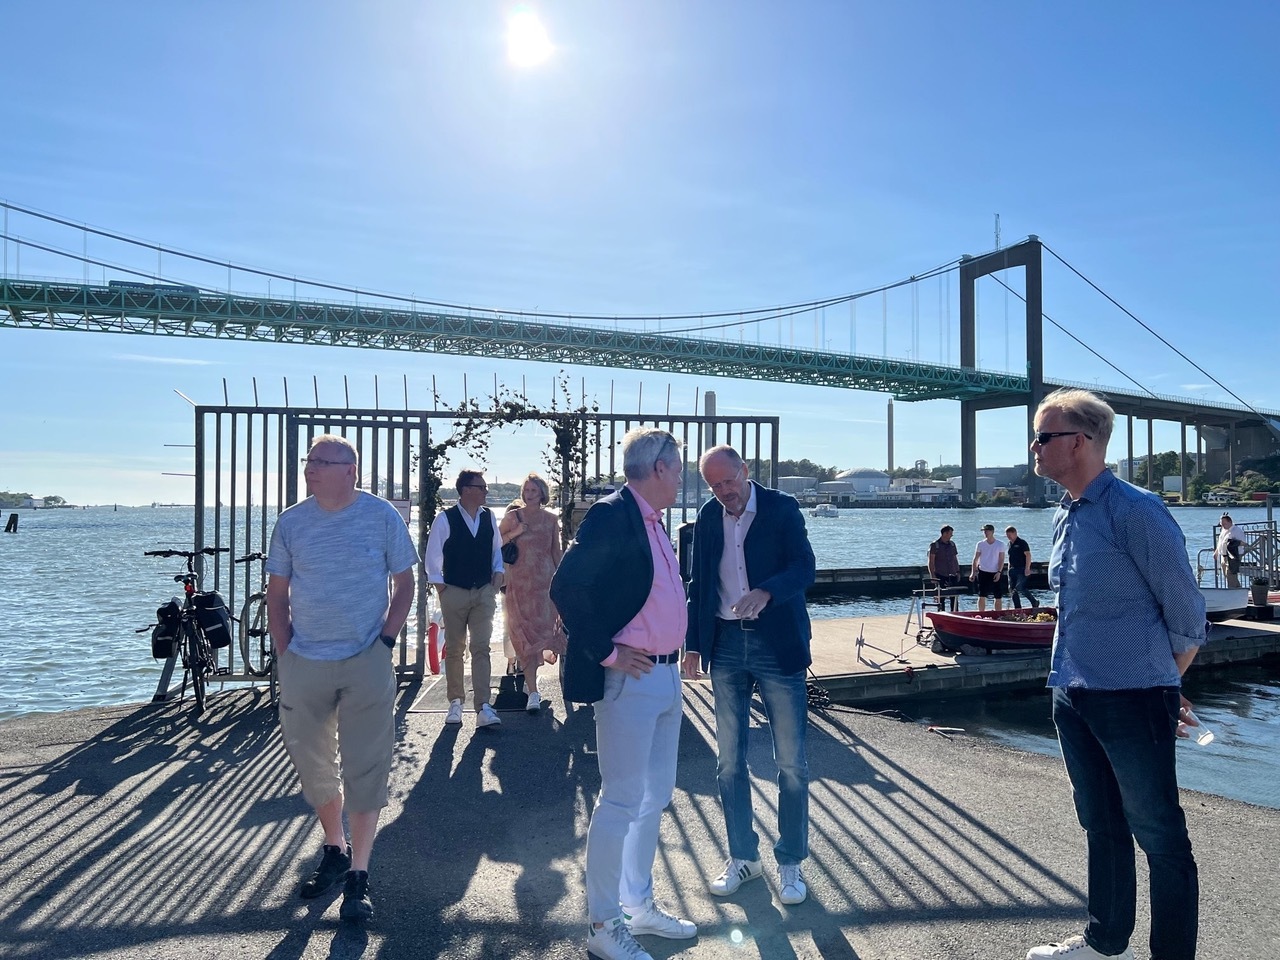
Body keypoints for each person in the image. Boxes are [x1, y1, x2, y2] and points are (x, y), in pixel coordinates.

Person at [1025, 389, 1206, 960]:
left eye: (1043, 436)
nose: (1034, 447)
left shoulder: (1137, 511)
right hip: (1073, 694)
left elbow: (1187, 618)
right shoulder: (1066, 514)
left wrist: (1162, 686)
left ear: (1078, 442)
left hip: (1131, 698)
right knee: (1101, 823)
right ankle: (1104, 943)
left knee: (1159, 835)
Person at [549, 428, 695, 960]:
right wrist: (606, 653)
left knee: (655, 795)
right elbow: (566, 586)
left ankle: (637, 905)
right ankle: (603, 926)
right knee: (621, 800)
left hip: (665, 676)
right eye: (678, 468)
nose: (682, 477)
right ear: (658, 468)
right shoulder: (614, 514)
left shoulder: (654, 522)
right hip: (630, 678)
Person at [265, 434, 419, 922]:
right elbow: (276, 594)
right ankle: (334, 847)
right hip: (304, 661)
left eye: (321, 462)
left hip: (366, 659)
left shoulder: (380, 516)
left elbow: (406, 583)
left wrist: (387, 644)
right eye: (309, 460)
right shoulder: (291, 521)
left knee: (367, 765)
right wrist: (285, 653)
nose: (310, 469)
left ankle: (359, 872)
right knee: (311, 764)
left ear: (350, 469)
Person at [683, 445, 816, 906]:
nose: (724, 493)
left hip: (776, 644)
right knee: (728, 762)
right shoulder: (706, 516)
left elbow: (804, 568)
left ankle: (791, 862)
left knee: (791, 763)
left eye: (729, 481)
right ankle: (744, 857)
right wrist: (694, 644)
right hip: (723, 644)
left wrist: (767, 591)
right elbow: (699, 582)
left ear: (745, 471)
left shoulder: (783, 509)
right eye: (714, 486)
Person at [426, 469, 505, 728]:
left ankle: (483, 706)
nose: (486, 491)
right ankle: (455, 702)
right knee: (455, 648)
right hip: (454, 590)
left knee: (481, 647)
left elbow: (496, 549)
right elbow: (433, 556)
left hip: (483, 590)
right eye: (482, 487)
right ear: (467, 489)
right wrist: (441, 588)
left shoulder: (489, 517)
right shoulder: (445, 519)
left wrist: (498, 574)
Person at [498, 472, 564, 712]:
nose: (528, 495)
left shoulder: (550, 520)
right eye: (526, 491)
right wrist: (515, 533)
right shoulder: (512, 517)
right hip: (519, 585)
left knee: (542, 635)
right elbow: (495, 542)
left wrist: (562, 580)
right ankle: (533, 693)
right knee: (522, 637)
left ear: (542, 493)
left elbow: (556, 552)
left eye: (533, 491)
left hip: (543, 587)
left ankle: (531, 683)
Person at [969, 523, 1006, 612]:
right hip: (983, 571)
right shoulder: (980, 544)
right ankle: (981, 613)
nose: (985, 533)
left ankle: (998, 613)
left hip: (995, 571)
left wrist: (999, 572)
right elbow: (975, 558)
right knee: (982, 594)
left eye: (987, 531)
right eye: (984, 531)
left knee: (998, 595)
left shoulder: (1000, 544)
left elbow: (1001, 559)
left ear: (992, 531)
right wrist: (973, 572)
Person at [927, 524, 962, 610]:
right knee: (940, 598)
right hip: (940, 574)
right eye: (950, 534)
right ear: (945, 533)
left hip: (952, 574)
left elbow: (955, 559)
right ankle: (941, 615)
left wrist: (958, 571)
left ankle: (955, 615)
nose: (951, 536)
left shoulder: (952, 544)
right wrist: (932, 575)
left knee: (954, 598)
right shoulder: (935, 545)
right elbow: (931, 562)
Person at [1004, 525, 1040, 610]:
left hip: (1021, 568)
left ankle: (1034, 602)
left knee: (1020, 587)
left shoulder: (1022, 543)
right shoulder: (1009, 544)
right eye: (1007, 535)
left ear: (1015, 533)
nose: (1008, 537)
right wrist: (1009, 568)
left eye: (1010, 535)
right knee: (1012, 589)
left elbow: (1028, 555)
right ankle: (1017, 607)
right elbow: (1010, 557)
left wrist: (1027, 568)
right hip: (1012, 569)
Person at [1215, 513, 1247, 589]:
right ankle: (1238, 589)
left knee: (1231, 574)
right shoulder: (1223, 530)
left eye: (1224, 524)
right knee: (1227, 575)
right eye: (1221, 524)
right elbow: (1220, 541)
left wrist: (1233, 542)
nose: (1223, 526)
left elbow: (1243, 543)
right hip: (1223, 555)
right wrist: (1216, 552)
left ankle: (1232, 591)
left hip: (1233, 556)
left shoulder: (1236, 531)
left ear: (1230, 522)